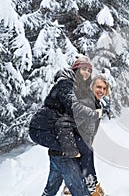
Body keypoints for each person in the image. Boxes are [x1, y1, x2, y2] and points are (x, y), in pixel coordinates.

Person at [29, 55, 105, 196]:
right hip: (42, 128)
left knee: (51, 187)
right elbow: (72, 108)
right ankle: (91, 187)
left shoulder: (77, 88)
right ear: (75, 69)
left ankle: (85, 185)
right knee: (81, 190)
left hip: (54, 139)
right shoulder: (65, 83)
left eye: (89, 70)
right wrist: (94, 114)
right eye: (83, 69)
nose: (87, 73)